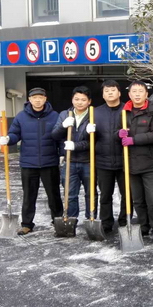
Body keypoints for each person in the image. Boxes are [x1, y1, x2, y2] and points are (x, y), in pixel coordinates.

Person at [0, 87, 63, 235]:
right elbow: (15, 133)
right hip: (28, 163)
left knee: (54, 195)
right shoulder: (21, 117)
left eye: (40, 97)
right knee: (29, 195)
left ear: (45, 99)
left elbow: (60, 136)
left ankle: (58, 221)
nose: (38, 100)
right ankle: (27, 224)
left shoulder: (54, 116)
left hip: (49, 162)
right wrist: (8, 139)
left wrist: (62, 154)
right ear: (29, 100)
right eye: (34, 97)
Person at [119, 81, 153, 241]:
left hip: (149, 162)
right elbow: (116, 133)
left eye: (140, 91)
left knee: (152, 198)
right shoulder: (124, 111)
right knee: (137, 199)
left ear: (146, 94)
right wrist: (118, 134)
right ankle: (144, 226)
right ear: (129, 94)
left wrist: (133, 139)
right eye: (134, 91)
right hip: (130, 162)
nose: (137, 94)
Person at [90, 80, 130, 233]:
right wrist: (88, 131)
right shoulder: (95, 112)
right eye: (106, 91)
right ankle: (106, 223)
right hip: (103, 161)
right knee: (105, 195)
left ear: (119, 93)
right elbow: (89, 138)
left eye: (113, 90)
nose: (110, 93)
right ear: (103, 95)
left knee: (127, 194)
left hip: (125, 160)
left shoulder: (127, 109)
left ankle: (124, 221)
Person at [52, 86, 96, 220]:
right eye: (76, 99)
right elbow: (54, 135)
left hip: (89, 161)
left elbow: (96, 142)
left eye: (83, 99)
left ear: (89, 101)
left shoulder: (94, 115)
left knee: (91, 194)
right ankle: (71, 221)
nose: (79, 102)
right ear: (72, 100)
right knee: (70, 194)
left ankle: (91, 219)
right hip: (70, 162)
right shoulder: (64, 114)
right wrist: (63, 126)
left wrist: (76, 146)